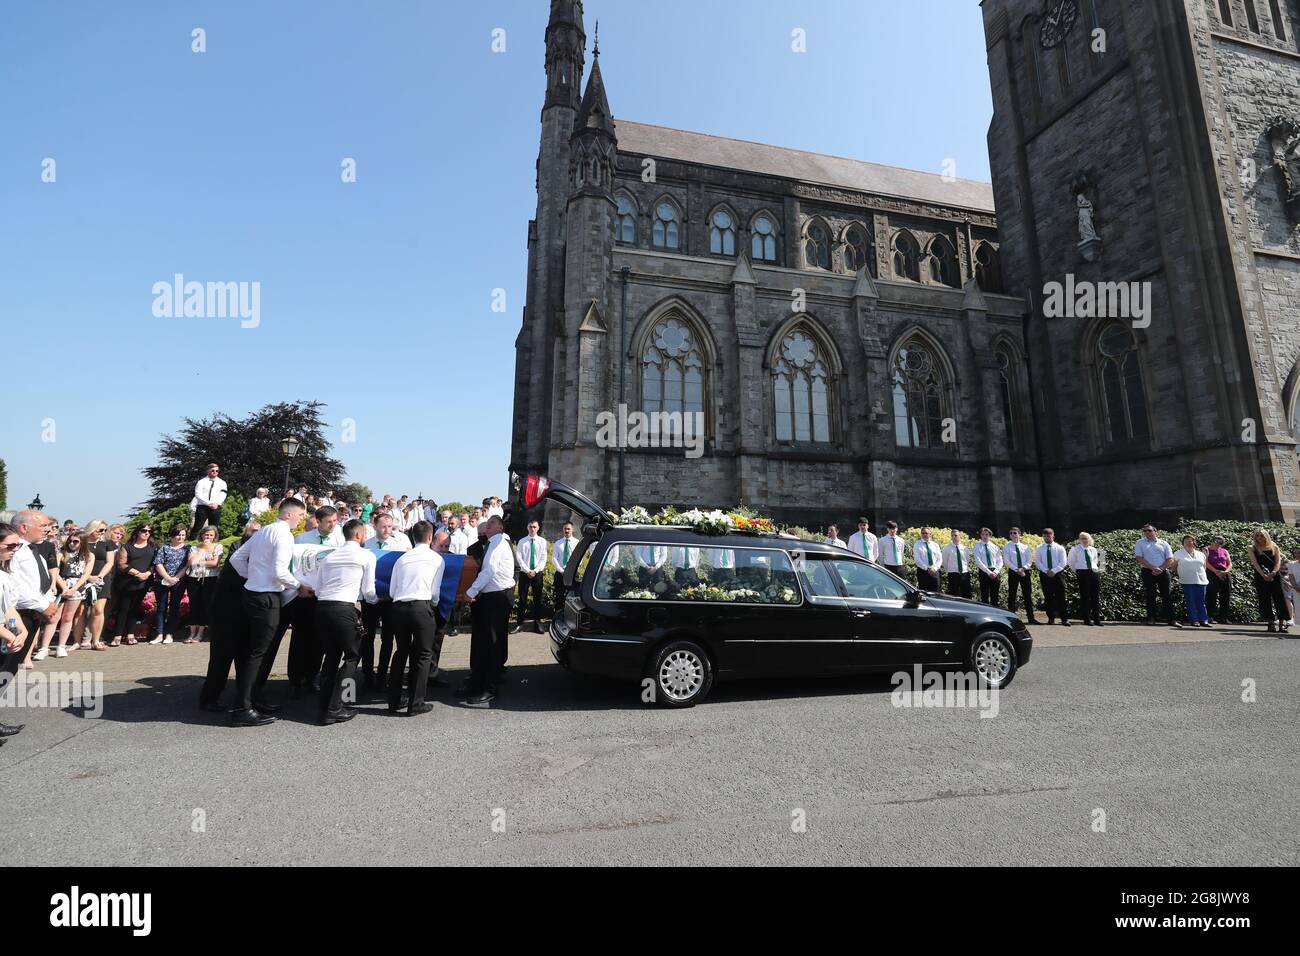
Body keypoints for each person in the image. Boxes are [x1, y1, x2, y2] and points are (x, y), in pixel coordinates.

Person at [228, 497, 306, 727]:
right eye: (300, 515)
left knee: (255, 650)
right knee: (258, 652)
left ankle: (251, 699)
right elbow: (281, 571)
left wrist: (252, 577)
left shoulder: (263, 531)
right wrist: (299, 586)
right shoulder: (284, 534)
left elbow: (237, 558)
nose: (301, 520)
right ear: (289, 514)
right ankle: (243, 707)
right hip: (267, 597)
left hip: (252, 593)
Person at [197, 524, 256, 713]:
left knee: (241, 658)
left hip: (237, 615)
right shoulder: (241, 559)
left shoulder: (242, 555)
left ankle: (243, 697)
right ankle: (210, 699)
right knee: (221, 660)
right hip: (227, 616)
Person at [386, 521, 443, 716]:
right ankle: (416, 702)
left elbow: (393, 590)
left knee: (401, 651)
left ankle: (393, 700)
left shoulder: (402, 559)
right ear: (430, 537)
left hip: (399, 607)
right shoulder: (436, 559)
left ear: (413, 537)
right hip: (421, 606)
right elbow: (435, 593)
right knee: (423, 654)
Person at [462, 515, 514, 708]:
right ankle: (478, 683)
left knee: (493, 643)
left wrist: (470, 591)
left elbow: (489, 570)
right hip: (492, 597)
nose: (488, 524)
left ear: (500, 527)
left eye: (493, 522)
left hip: (497, 598)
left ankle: (490, 689)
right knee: (485, 642)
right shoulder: (493, 542)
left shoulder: (498, 542)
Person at [361, 513, 409, 691]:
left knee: (388, 638)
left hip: (390, 598)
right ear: (375, 525)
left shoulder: (398, 545)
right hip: (370, 597)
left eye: (390, 526)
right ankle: (367, 674)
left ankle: (382, 674)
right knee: (367, 637)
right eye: (383, 526)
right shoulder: (367, 544)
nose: (387, 530)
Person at [0, 522, 31, 740]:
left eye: (17, 546)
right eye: (10, 546)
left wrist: (21, 629)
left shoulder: (4, 573)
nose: (14, 550)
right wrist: (8, 634)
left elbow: (8, 607)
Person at [110, 523, 155, 645]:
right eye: (143, 530)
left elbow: (154, 564)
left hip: (143, 582)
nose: (146, 533)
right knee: (123, 608)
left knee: (135, 609)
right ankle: (117, 635)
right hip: (127, 582)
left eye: (149, 531)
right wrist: (137, 573)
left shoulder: (152, 547)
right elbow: (122, 564)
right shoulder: (127, 546)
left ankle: (131, 634)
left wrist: (147, 573)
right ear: (137, 532)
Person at [150, 525, 191, 645]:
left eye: (183, 535)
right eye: (178, 534)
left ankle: (170, 633)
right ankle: (159, 634)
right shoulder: (163, 547)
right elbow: (158, 563)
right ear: (173, 535)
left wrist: (176, 578)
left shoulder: (188, 548)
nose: (181, 537)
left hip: (179, 581)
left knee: (174, 607)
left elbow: (187, 565)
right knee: (161, 608)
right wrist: (167, 577)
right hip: (162, 580)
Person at [84, 521, 121, 651]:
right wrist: (87, 577)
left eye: (105, 530)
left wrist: (99, 577)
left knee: (98, 610)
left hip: (102, 579)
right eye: (100, 530)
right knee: (82, 611)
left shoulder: (107, 543)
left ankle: (96, 640)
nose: (103, 533)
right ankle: (80, 640)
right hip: (82, 578)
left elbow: (109, 562)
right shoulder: (82, 542)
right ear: (92, 529)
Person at [184, 525, 223, 642]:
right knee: (194, 603)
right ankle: (191, 633)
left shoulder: (217, 547)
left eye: (211, 535)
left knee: (205, 604)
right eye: (206, 534)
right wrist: (202, 550)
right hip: (194, 578)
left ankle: (200, 633)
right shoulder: (194, 547)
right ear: (202, 535)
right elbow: (191, 562)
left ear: (215, 537)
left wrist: (199, 561)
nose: (208, 537)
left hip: (210, 578)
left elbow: (215, 563)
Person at [1134, 524, 1178, 627]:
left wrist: (1161, 568)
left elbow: (1170, 559)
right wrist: (1152, 568)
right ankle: (1151, 618)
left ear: (1155, 531)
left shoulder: (1164, 543)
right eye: (1145, 531)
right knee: (1150, 595)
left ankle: (1171, 619)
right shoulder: (1140, 542)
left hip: (1163, 572)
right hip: (1147, 571)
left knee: (1166, 595)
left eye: (1149, 530)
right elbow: (1139, 558)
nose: (1147, 533)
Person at [1247, 528, 1289, 633]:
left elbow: (1278, 562)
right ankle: (1270, 623)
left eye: (1261, 535)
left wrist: (1274, 572)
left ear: (1266, 536)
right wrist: (1263, 575)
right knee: (1264, 599)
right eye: (1257, 535)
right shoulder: (1252, 548)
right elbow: (1255, 563)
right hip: (1261, 576)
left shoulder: (1274, 546)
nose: (1259, 538)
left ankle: (1281, 623)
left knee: (1279, 598)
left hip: (1275, 575)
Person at [514, 519, 547, 633]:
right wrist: (528, 570)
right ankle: (519, 624)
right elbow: (519, 557)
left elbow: (543, 558)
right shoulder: (522, 541)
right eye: (530, 526)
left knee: (537, 599)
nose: (532, 529)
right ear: (527, 527)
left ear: (538, 528)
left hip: (537, 574)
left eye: (534, 527)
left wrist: (536, 570)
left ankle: (537, 624)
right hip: (524, 573)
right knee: (522, 599)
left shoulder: (542, 541)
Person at [1170, 534, 1210, 628]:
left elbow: (1204, 567)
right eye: (1186, 540)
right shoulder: (1177, 553)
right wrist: (1179, 574)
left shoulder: (1201, 554)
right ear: (1183, 543)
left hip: (1201, 580)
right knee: (1191, 600)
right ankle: (1194, 620)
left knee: (1201, 601)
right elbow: (1174, 567)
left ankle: (1204, 620)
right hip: (1187, 580)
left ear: (1194, 542)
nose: (1188, 542)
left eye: (1191, 540)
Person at [1034, 528, 1069, 626]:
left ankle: (1064, 619)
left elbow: (1063, 562)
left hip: (1058, 574)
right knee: (1048, 597)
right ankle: (1051, 618)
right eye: (1045, 536)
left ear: (1053, 536)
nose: (1047, 538)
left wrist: (1053, 571)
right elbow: (1038, 561)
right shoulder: (1039, 548)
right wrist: (1046, 571)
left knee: (1061, 597)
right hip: (1045, 574)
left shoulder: (1059, 548)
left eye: (1049, 536)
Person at [1067, 532, 1103, 626]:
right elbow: (1071, 562)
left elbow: (1095, 561)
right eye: (1082, 538)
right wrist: (1078, 571)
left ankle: (1097, 620)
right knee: (1085, 597)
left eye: (1086, 538)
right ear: (1079, 540)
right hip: (1082, 573)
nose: (1084, 540)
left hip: (1094, 572)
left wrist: (1094, 570)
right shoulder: (1075, 549)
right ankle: (1087, 619)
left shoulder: (1093, 549)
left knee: (1095, 596)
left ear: (1089, 539)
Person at [1002, 527, 1037, 622]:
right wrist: (1017, 569)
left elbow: (1029, 560)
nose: (1013, 534)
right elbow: (1006, 561)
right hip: (1013, 572)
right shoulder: (1007, 547)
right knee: (1012, 595)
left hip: (1025, 572)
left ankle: (1031, 618)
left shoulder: (1025, 547)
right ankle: (1011, 618)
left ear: (1019, 534)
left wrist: (1023, 568)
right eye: (1011, 533)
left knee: (1027, 595)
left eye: (1015, 533)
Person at [192, 463, 227, 538]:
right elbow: (198, 494)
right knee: (197, 527)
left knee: (214, 528)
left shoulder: (222, 483)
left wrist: (217, 503)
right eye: (213, 470)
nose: (215, 472)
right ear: (208, 471)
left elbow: (223, 494)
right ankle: (192, 543)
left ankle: (213, 544)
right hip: (202, 507)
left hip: (216, 507)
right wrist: (208, 503)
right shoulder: (201, 482)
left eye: (217, 471)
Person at [552, 521, 579, 612]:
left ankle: (571, 617)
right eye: (565, 529)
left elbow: (580, 559)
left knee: (573, 597)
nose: (566, 531)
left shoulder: (577, 543)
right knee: (559, 597)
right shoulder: (558, 543)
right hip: (560, 573)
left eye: (568, 529)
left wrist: (571, 570)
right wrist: (561, 570)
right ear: (563, 530)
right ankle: (558, 616)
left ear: (572, 530)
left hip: (573, 574)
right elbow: (554, 559)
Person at [1206, 536, 1233, 624]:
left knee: (1226, 595)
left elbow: (1230, 563)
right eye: (1216, 541)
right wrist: (1216, 572)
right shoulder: (1206, 550)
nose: (1218, 544)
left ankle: (1223, 617)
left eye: (1220, 542)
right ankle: (1210, 616)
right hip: (1211, 573)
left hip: (1225, 573)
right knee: (1211, 595)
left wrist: (1226, 571)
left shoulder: (1225, 551)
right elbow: (1205, 562)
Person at [974, 527, 1003, 606]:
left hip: (995, 572)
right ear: (980, 535)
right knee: (984, 595)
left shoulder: (995, 547)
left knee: (995, 595)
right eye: (983, 534)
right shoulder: (977, 547)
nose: (985, 536)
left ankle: (995, 614)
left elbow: (1000, 561)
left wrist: (996, 572)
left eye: (987, 534)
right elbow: (978, 561)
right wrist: (988, 572)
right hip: (984, 571)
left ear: (990, 535)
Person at [942, 529, 972, 598]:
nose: (954, 537)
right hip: (953, 574)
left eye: (956, 535)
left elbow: (967, 560)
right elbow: (945, 561)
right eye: (952, 536)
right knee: (953, 594)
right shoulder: (947, 548)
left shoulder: (965, 548)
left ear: (959, 536)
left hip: (964, 573)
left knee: (966, 594)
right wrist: (949, 570)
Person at [913, 528, 942, 592]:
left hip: (934, 571)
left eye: (926, 533)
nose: (924, 535)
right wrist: (927, 568)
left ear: (930, 534)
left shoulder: (935, 545)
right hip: (923, 572)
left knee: (936, 592)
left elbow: (939, 559)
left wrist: (934, 568)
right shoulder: (917, 544)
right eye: (923, 533)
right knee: (923, 592)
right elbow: (917, 559)